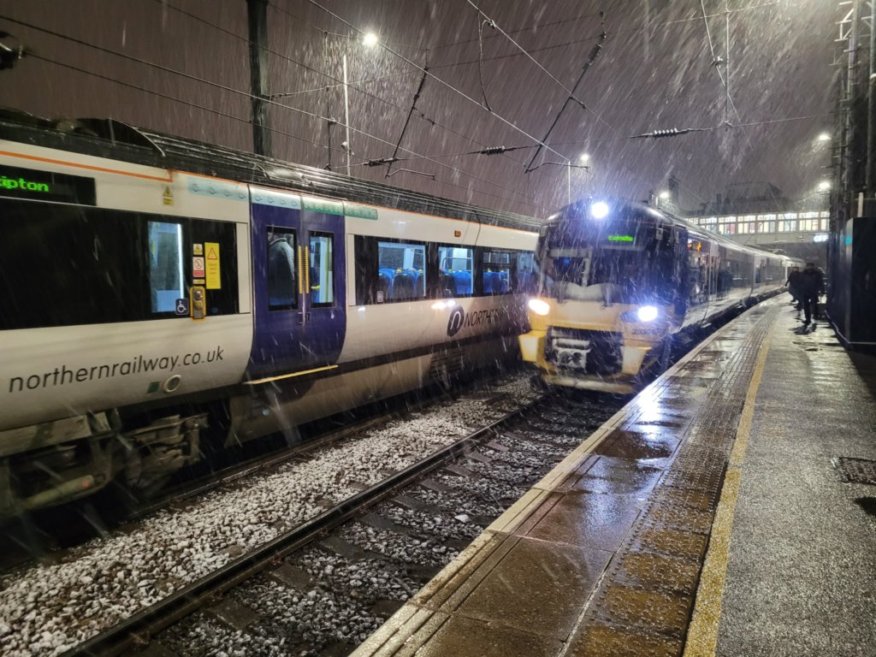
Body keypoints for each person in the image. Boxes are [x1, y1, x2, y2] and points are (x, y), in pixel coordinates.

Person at [798, 262, 825, 327]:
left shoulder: (817, 273)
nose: (809, 267)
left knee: (814, 305)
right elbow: (800, 282)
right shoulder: (803, 273)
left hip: (814, 291)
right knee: (806, 306)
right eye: (808, 266)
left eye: (811, 266)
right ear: (806, 267)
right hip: (805, 291)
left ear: (813, 267)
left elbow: (820, 282)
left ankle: (815, 317)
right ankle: (808, 319)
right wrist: (800, 290)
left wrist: (822, 291)